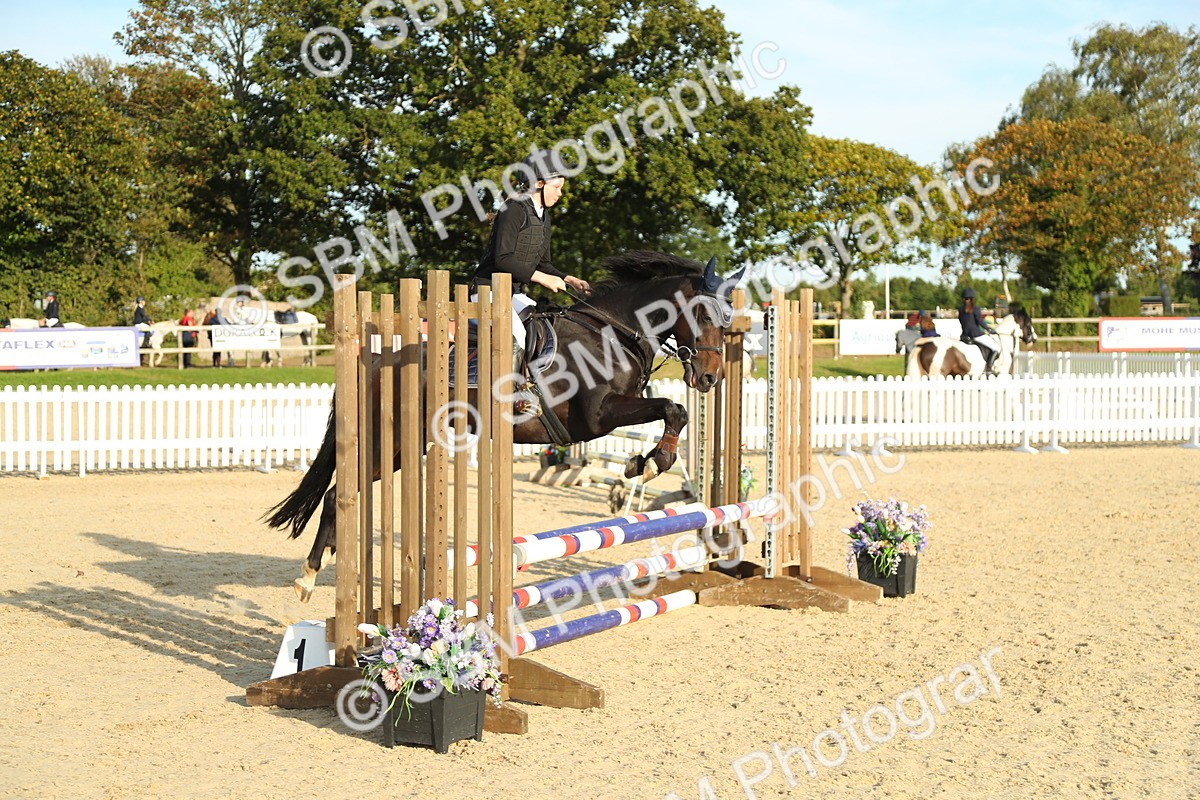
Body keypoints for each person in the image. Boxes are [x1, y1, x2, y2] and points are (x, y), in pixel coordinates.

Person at [470, 149, 591, 415]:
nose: (560, 193)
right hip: (486, 291)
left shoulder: (543, 216)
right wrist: (543, 279)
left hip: (511, 294)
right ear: (539, 183)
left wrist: (567, 278)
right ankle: (513, 396)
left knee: (544, 324)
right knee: (519, 333)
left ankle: (535, 384)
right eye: (557, 186)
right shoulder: (513, 209)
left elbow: (543, 264)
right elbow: (502, 259)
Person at [957, 288, 998, 373]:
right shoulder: (975, 308)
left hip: (964, 336)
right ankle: (989, 369)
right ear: (972, 298)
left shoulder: (960, 310)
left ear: (963, 299)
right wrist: (989, 329)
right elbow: (980, 322)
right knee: (996, 348)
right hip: (976, 335)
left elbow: (962, 322)